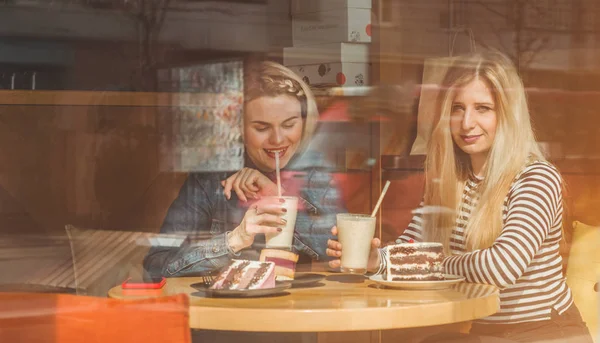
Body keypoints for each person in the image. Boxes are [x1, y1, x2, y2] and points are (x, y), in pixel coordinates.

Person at [326, 51, 593, 343]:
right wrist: (375, 260)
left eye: (482, 108)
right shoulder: (450, 180)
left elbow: (502, 267)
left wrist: (436, 263)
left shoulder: (535, 178)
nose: (467, 123)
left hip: (545, 333)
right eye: (457, 108)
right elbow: (413, 248)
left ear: (507, 114)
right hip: (485, 332)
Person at [144, 61, 343, 277]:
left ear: (304, 123)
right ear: (239, 129)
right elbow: (156, 266)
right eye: (261, 127)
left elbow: (339, 255)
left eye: (288, 124)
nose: (277, 139)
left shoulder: (314, 172)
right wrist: (234, 239)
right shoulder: (210, 181)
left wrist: (278, 195)